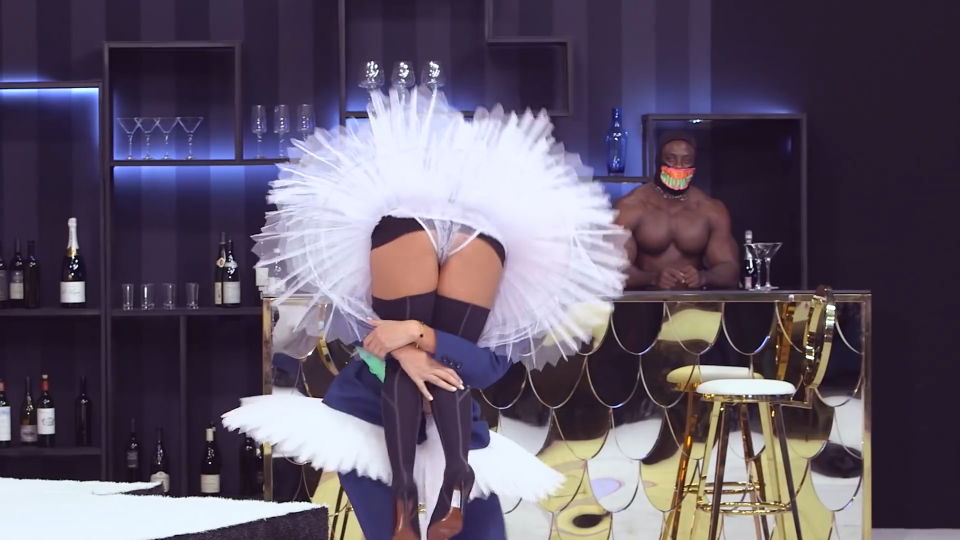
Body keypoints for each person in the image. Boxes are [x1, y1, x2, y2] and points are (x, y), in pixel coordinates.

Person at [222, 87, 627, 539]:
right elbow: (362, 326)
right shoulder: (385, 253)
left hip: (454, 430)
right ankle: (415, 493)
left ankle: (449, 479)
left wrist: (418, 334)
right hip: (369, 421)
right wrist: (406, 354)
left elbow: (486, 367)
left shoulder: (510, 288)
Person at [615, 132, 739, 290]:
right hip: (645, 299)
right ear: (658, 161)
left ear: (694, 163)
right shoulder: (631, 207)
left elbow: (730, 270)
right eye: (671, 159)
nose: (679, 166)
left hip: (693, 301)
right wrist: (652, 278)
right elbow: (612, 268)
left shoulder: (710, 209)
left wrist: (704, 277)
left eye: (686, 160)